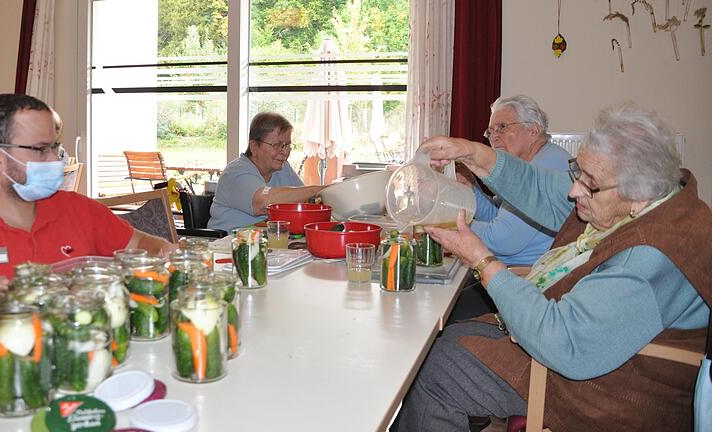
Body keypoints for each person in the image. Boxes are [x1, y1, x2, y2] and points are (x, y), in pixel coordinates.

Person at [392, 102, 711, 431]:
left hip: (606, 382)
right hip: (583, 341)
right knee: (441, 343)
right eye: (578, 172)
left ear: (639, 195)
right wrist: (470, 152)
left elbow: (566, 344)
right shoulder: (647, 201)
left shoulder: (652, 254)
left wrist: (482, 261)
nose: (575, 190)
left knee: (439, 371)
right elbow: (540, 188)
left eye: (589, 183)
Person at [0, 93, 174, 279]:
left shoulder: (78, 209)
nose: (56, 160)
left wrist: (161, 249)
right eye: (41, 149)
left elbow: (140, 243)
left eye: (55, 147)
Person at [448, 95, 571, 321]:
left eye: (502, 127)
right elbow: (498, 214)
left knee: (444, 310)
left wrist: (448, 222)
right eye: (490, 131)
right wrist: (471, 190)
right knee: (445, 288)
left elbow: (501, 238)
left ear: (533, 130)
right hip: (507, 271)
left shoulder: (549, 164)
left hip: (527, 283)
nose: (493, 137)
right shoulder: (532, 162)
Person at [208, 112, 326, 234]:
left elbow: (305, 201)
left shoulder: (283, 169)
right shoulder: (235, 173)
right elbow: (263, 203)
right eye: (277, 145)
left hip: (266, 242)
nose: (285, 152)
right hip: (229, 245)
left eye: (287, 145)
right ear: (254, 147)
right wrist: (316, 190)